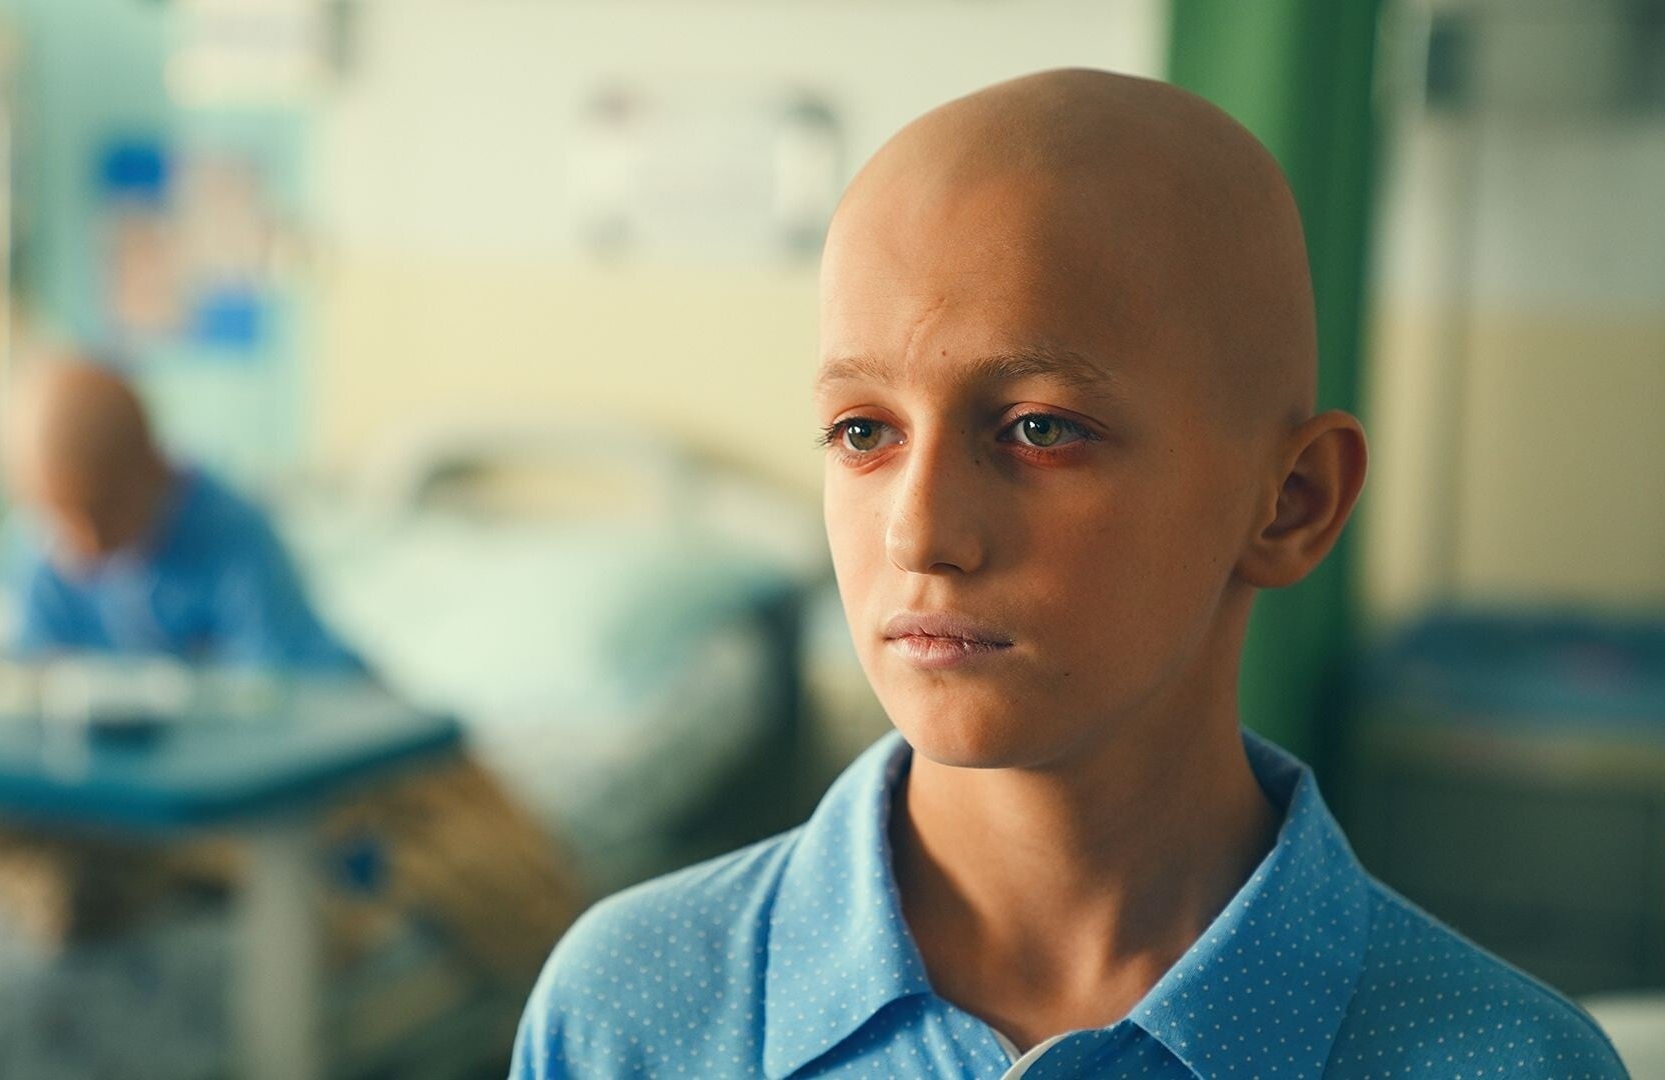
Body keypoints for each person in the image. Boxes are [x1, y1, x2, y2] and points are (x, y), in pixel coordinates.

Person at [509, 70, 1627, 1077]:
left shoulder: (1506, 1062)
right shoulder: (632, 1011)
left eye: (1040, 430)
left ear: (1292, 500)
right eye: (863, 432)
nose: (918, 534)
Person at [0, 358, 364, 674]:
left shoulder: (235, 541)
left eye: (106, 512)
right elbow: (26, 671)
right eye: (61, 522)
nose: (88, 544)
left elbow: (288, 688)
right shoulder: (37, 552)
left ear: (154, 467)